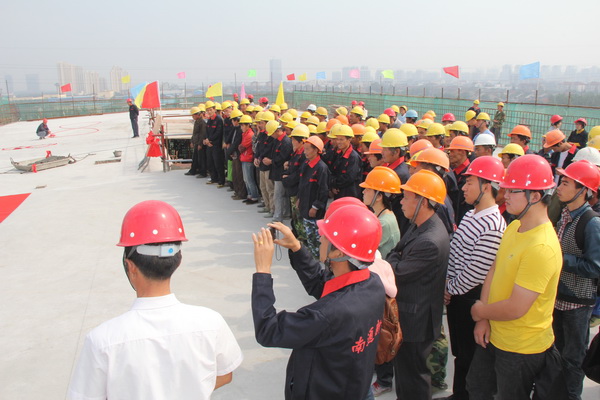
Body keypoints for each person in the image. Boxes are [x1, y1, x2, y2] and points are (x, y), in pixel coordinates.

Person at [68, 200, 243, 399]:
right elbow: (225, 374)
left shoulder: (102, 341)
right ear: (178, 261)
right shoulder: (210, 322)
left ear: (130, 266)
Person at [251, 205, 386, 400]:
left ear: (338, 253)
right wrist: (297, 248)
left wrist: (263, 271)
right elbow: (323, 285)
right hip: (357, 386)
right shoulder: (374, 284)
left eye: (326, 237)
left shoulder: (328, 314)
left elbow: (268, 330)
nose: (320, 238)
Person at [467, 154, 564, 400]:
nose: (505, 194)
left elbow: (516, 307)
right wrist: (484, 318)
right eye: (506, 188)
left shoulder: (541, 247)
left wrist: (480, 311)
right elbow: (494, 269)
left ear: (535, 197)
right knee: (476, 387)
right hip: (494, 333)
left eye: (513, 190)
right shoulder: (514, 226)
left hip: (521, 348)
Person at [443, 156, 507, 400]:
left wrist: (450, 288)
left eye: (470, 182)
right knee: (461, 353)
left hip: (470, 298)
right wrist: (448, 285)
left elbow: (477, 271)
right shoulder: (471, 215)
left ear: (486, 187)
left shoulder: (493, 225)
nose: (464, 188)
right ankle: (459, 394)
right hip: (457, 294)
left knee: (471, 357)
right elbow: (455, 252)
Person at [386, 169, 450, 400]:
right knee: (405, 374)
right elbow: (395, 252)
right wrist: (396, 258)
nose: (401, 202)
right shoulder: (419, 224)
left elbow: (397, 271)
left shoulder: (430, 240)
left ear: (423, 201)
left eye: (406, 197)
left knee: (413, 377)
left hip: (416, 321)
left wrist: (395, 259)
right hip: (411, 315)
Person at [553, 160, 600, 399]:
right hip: (558, 298)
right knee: (557, 355)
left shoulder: (591, 223)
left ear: (583, 190)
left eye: (565, 183)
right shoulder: (564, 215)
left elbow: (595, 267)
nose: (559, 187)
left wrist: (560, 258)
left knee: (573, 359)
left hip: (577, 303)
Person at [297, 135, 330, 258]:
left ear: (316, 150)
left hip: (314, 209)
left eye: (307, 149)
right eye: (304, 149)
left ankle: (318, 257)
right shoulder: (306, 164)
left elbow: (323, 190)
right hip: (305, 204)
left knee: (316, 235)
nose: (304, 152)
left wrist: (315, 206)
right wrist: (299, 199)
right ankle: (312, 254)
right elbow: (302, 184)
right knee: (309, 234)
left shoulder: (322, 168)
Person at [264, 120, 293, 223]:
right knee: (282, 194)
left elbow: (282, 157)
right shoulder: (278, 140)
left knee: (278, 194)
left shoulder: (286, 142)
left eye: (272, 133)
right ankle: (285, 213)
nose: (271, 136)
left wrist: (271, 161)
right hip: (277, 171)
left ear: (277, 131)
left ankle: (278, 216)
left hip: (281, 172)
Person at [330, 125, 362, 199]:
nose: (338, 142)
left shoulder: (354, 157)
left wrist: (335, 184)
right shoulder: (339, 154)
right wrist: (333, 186)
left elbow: (349, 177)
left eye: (341, 139)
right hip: (339, 194)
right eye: (337, 139)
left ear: (349, 139)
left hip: (350, 195)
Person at [239, 115, 260, 204]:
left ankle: (254, 196)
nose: (241, 127)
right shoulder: (245, 134)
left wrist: (240, 147)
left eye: (243, 125)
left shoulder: (249, 135)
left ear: (248, 125)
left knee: (249, 179)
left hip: (248, 158)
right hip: (244, 158)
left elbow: (242, 147)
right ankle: (250, 195)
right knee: (246, 179)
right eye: (241, 125)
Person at [204, 101, 226, 187]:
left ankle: (221, 181)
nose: (209, 112)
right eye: (207, 110)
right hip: (209, 144)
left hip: (216, 145)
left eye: (210, 110)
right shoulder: (209, 120)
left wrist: (210, 140)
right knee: (210, 162)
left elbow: (218, 133)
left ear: (214, 109)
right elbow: (207, 131)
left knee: (218, 163)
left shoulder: (219, 119)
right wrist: (207, 140)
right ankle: (214, 178)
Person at [185, 106, 207, 177]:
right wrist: (192, 141)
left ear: (197, 114)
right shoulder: (196, 122)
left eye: (193, 115)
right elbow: (194, 133)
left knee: (201, 159)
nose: (192, 117)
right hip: (196, 142)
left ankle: (203, 172)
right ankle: (193, 170)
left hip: (199, 143)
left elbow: (203, 134)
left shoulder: (202, 123)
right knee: (195, 158)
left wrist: (200, 144)